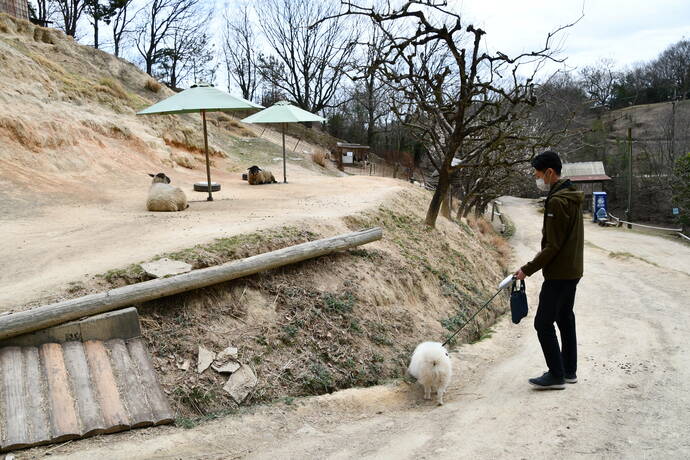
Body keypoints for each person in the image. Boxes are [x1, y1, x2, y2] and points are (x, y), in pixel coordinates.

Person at [515, 151, 584, 390]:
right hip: (574, 269)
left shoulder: (557, 200)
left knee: (543, 323)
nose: (537, 178)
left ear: (549, 172)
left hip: (559, 273)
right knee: (565, 318)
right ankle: (569, 370)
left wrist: (527, 269)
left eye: (538, 174)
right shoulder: (571, 194)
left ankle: (556, 374)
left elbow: (553, 246)